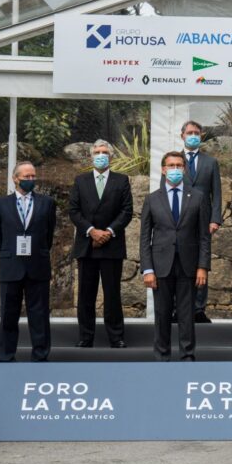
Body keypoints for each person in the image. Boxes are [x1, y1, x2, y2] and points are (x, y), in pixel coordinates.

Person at [140, 152, 211, 361]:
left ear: (185, 169)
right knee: (162, 314)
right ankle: (162, 357)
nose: (175, 169)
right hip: (160, 266)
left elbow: (204, 237)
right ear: (163, 170)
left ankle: (187, 356)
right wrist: (147, 269)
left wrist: (203, 266)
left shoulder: (197, 197)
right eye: (171, 165)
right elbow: (144, 237)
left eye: (179, 165)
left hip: (188, 265)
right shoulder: (152, 199)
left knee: (186, 314)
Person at [68, 140, 133, 349]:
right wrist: (91, 231)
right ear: (91, 156)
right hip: (87, 245)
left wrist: (109, 231)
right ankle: (85, 337)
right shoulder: (80, 181)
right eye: (97, 152)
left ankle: (116, 337)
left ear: (111, 156)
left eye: (105, 152)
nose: (101, 155)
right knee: (86, 295)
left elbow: (126, 211)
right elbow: (74, 211)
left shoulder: (121, 180)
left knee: (112, 294)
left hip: (111, 245)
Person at [0, 162, 57, 363]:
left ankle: (40, 355)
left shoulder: (47, 203)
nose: (30, 180)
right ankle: (7, 355)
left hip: (38, 266)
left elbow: (49, 235)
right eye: (26, 177)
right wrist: (9, 254)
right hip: (11, 267)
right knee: (8, 314)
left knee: (40, 315)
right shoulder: (1, 204)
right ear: (15, 178)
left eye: (33, 176)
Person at [173, 121, 223, 324]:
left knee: (202, 262)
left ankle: (198, 309)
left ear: (201, 136)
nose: (193, 135)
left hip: (203, 219)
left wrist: (215, 219)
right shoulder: (174, 161)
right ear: (182, 135)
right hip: (180, 219)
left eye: (196, 133)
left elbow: (217, 193)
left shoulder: (210, 162)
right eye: (189, 132)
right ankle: (178, 309)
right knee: (177, 262)